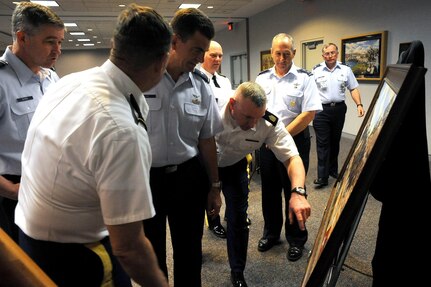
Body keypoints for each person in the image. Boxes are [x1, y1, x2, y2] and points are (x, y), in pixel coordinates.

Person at [15, 4, 172, 287]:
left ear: (114, 46)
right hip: (74, 258)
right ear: (162, 61)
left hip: (30, 240)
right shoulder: (121, 129)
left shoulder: (69, 82)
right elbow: (130, 248)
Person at [142, 8, 223, 287]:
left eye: (205, 51)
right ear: (175, 42)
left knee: (189, 252)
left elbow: (207, 139)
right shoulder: (142, 79)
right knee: (151, 254)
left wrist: (214, 186)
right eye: (197, 49)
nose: (201, 59)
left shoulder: (201, 85)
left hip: (188, 178)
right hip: (146, 180)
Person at [216, 81, 311, 287]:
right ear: (233, 104)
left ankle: (237, 272)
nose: (253, 124)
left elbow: (293, 158)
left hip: (234, 166)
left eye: (257, 117)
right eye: (248, 117)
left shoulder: (268, 122)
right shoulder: (212, 107)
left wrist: (298, 192)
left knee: (238, 218)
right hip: (202, 165)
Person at [0, 1, 64, 243]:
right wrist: (12, 191)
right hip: (11, 194)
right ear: (22, 37)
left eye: (60, 42)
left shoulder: (51, 78)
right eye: (50, 41)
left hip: (49, 188)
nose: (57, 49)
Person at [255, 33, 321, 261]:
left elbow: (309, 113)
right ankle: (271, 233)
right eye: (277, 53)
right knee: (269, 191)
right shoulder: (262, 78)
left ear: (293, 52)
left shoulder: (305, 78)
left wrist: (281, 135)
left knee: (294, 190)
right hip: (266, 144)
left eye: (286, 53)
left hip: (295, 142)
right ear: (271, 53)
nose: (281, 58)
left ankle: (296, 239)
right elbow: (258, 110)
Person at [312, 43, 365, 187]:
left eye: (332, 53)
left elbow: (353, 88)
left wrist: (359, 105)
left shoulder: (346, 70)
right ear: (323, 56)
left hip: (339, 110)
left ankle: (332, 170)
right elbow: (309, 92)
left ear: (337, 53)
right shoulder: (316, 71)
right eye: (327, 54)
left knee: (335, 141)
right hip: (321, 111)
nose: (330, 56)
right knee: (323, 143)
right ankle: (322, 177)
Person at [199, 40, 233, 239]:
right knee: (210, 185)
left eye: (220, 55)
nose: (218, 59)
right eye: (213, 55)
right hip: (204, 143)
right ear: (203, 55)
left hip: (225, 141)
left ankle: (231, 215)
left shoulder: (225, 81)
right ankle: (214, 222)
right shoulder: (195, 80)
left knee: (226, 183)